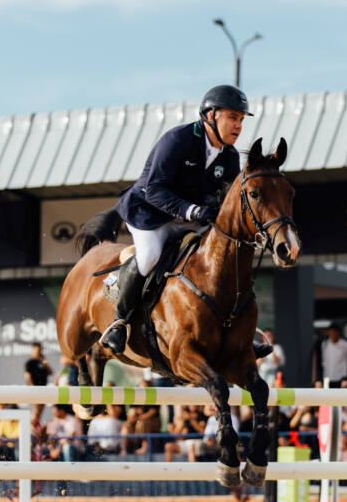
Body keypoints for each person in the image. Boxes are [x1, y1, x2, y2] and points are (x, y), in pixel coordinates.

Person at [98, 84, 272, 362]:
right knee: (150, 256)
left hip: (189, 218)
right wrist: (192, 211)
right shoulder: (177, 140)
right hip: (150, 213)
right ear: (211, 116)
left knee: (223, 255)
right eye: (232, 117)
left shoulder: (229, 157)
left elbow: (226, 198)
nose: (238, 126)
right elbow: (154, 189)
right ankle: (119, 323)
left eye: (241, 120)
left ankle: (240, 333)